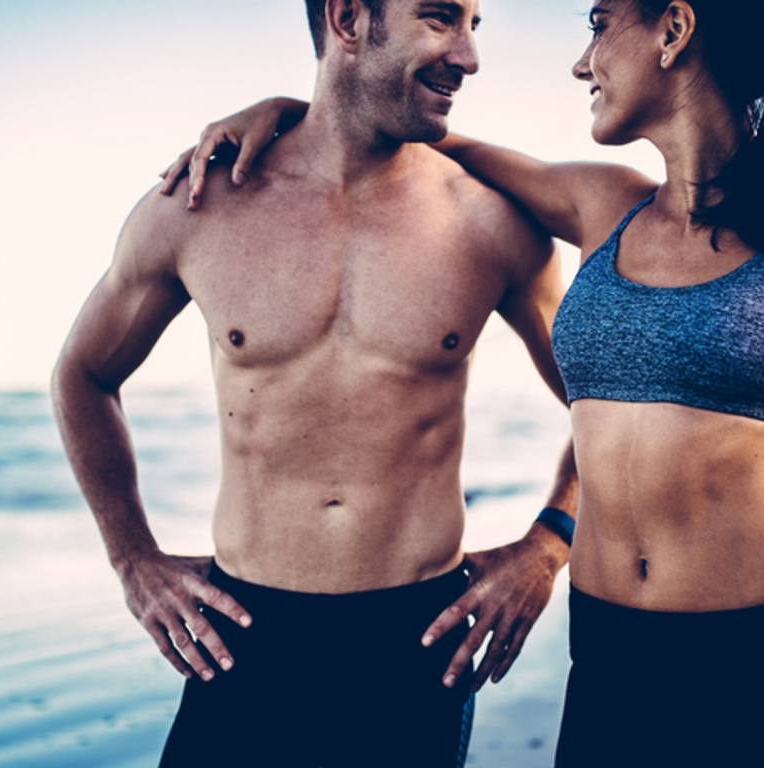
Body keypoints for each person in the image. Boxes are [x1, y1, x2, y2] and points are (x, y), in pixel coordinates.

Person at [164, 0, 764, 765]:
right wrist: (280, 113)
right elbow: (403, 128)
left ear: (674, 30)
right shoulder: (600, 205)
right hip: (609, 671)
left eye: (600, 25)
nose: (583, 62)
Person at [52, 1, 580, 766]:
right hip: (241, 635)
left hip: (418, 640)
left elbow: (610, 400)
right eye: (440, 19)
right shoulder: (200, 204)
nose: (467, 56)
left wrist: (549, 543)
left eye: (475, 24)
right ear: (346, 19)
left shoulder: (491, 222)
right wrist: (133, 560)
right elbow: (83, 372)